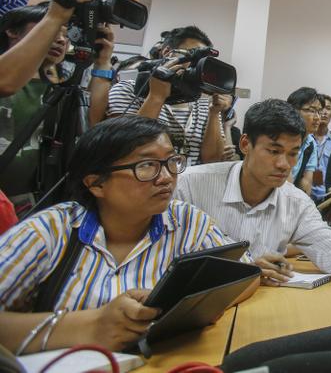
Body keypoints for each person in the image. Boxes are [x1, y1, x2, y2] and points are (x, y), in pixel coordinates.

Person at [0, 116, 249, 353]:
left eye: (171, 161)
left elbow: (245, 274)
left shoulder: (186, 221)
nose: (166, 178)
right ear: (96, 183)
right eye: (147, 165)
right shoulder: (49, 232)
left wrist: (185, 303)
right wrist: (90, 326)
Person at [175, 99, 331, 281]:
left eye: (293, 153)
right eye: (273, 151)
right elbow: (160, 260)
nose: (284, 164)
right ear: (245, 144)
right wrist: (240, 271)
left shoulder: (296, 202)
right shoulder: (190, 186)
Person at [0, 4, 114, 209]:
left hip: (33, 201)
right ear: (11, 31)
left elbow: (93, 122)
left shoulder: (62, 88)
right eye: (53, 29)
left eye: (66, 33)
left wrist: (103, 63)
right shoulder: (7, 78)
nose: (61, 39)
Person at [107, 25, 231, 167]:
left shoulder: (204, 103)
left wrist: (214, 113)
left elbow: (212, 161)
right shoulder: (128, 89)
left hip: (189, 187)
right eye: (192, 55)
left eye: (201, 61)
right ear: (167, 52)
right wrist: (156, 97)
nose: (196, 65)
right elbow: (122, 150)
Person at [286, 87, 322, 196]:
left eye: (319, 112)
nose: (317, 117)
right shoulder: (283, 138)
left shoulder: (311, 143)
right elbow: (285, 182)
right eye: (311, 110)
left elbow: (306, 182)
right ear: (293, 111)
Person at [313, 94, 331, 202]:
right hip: (305, 195)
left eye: (328, 108)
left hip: (330, 198)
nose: (324, 112)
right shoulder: (304, 139)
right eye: (321, 108)